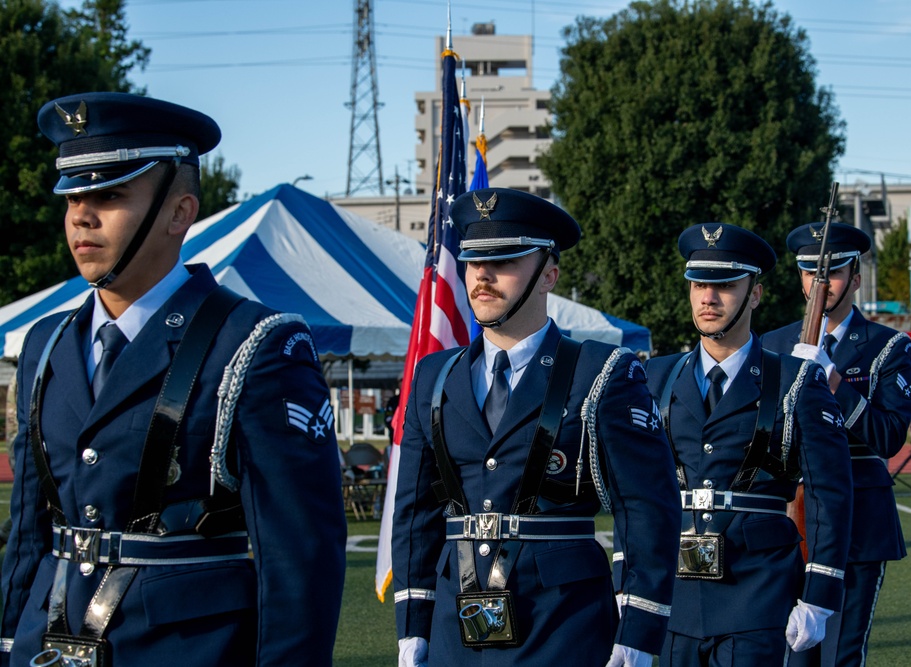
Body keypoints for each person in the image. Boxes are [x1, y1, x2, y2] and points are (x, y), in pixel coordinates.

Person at [1, 92, 347, 666]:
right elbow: (29, 532)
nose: (82, 215)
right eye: (73, 196)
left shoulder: (254, 343)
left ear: (179, 213)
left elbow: (300, 556)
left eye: (109, 195)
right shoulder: (46, 343)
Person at [392, 188, 680, 667]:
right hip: (454, 630)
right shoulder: (434, 377)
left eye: (504, 260)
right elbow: (415, 513)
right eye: (472, 261)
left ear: (549, 274)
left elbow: (648, 509)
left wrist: (640, 632)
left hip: (562, 625)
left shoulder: (602, 373)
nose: (482, 275)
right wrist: (412, 626)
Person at [641, 224, 852, 666]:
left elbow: (828, 495)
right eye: (699, 284)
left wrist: (819, 594)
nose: (708, 298)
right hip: (674, 598)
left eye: (725, 286)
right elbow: (638, 496)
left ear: (755, 294)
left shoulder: (796, 380)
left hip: (758, 594)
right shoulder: (656, 378)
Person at [762, 221, 911, 667]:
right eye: (810, 273)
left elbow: (887, 437)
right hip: (787, 518)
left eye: (830, 273)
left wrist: (832, 380)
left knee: (839, 655)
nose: (818, 284)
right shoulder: (771, 343)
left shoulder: (888, 347)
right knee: (786, 654)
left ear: (856, 277)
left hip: (858, 522)